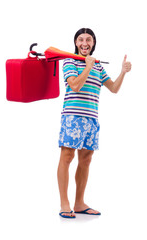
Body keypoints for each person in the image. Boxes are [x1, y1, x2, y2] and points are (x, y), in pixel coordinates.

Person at [57, 28, 132, 218]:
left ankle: (79, 203)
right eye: (80, 39)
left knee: (86, 160)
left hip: (91, 118)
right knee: (67, 157)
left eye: (88, 39)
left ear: (93, 43)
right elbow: (75, 85)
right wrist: (87, 66)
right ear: (75, 43)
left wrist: (122, 72)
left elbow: (113, 88)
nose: (84, 43)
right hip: (72, 117)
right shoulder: (69, 61)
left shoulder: (98, 66)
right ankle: (64, 204)